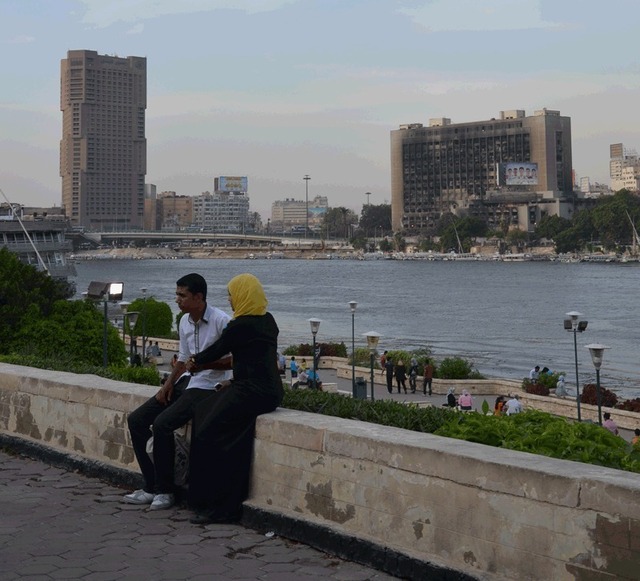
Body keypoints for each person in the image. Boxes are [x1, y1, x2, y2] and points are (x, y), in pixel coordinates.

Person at [122, 273, 232, 511]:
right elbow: (183, 359)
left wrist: (205, 364)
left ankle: (165, 490)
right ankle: (150, 485)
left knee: (162, 424)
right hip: (186, 381)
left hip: (208, 387)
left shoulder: (221, 321)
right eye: (177, 294)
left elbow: (235, 360)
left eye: (182, 295)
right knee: (137, 420)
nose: (177, 300)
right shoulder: (184, 322)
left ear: (198, 297)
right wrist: (167, 385)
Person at [186, 273, 284, 524]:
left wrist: (194, 361)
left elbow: (216, 351)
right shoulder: (268, 321)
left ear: (242, 296)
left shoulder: (240, 326)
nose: (229, 301)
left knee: (208, 431)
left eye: (232, 295)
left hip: (251, 391)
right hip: (267, 391)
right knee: (205, 411)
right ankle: (209, 499)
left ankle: (218, 505)